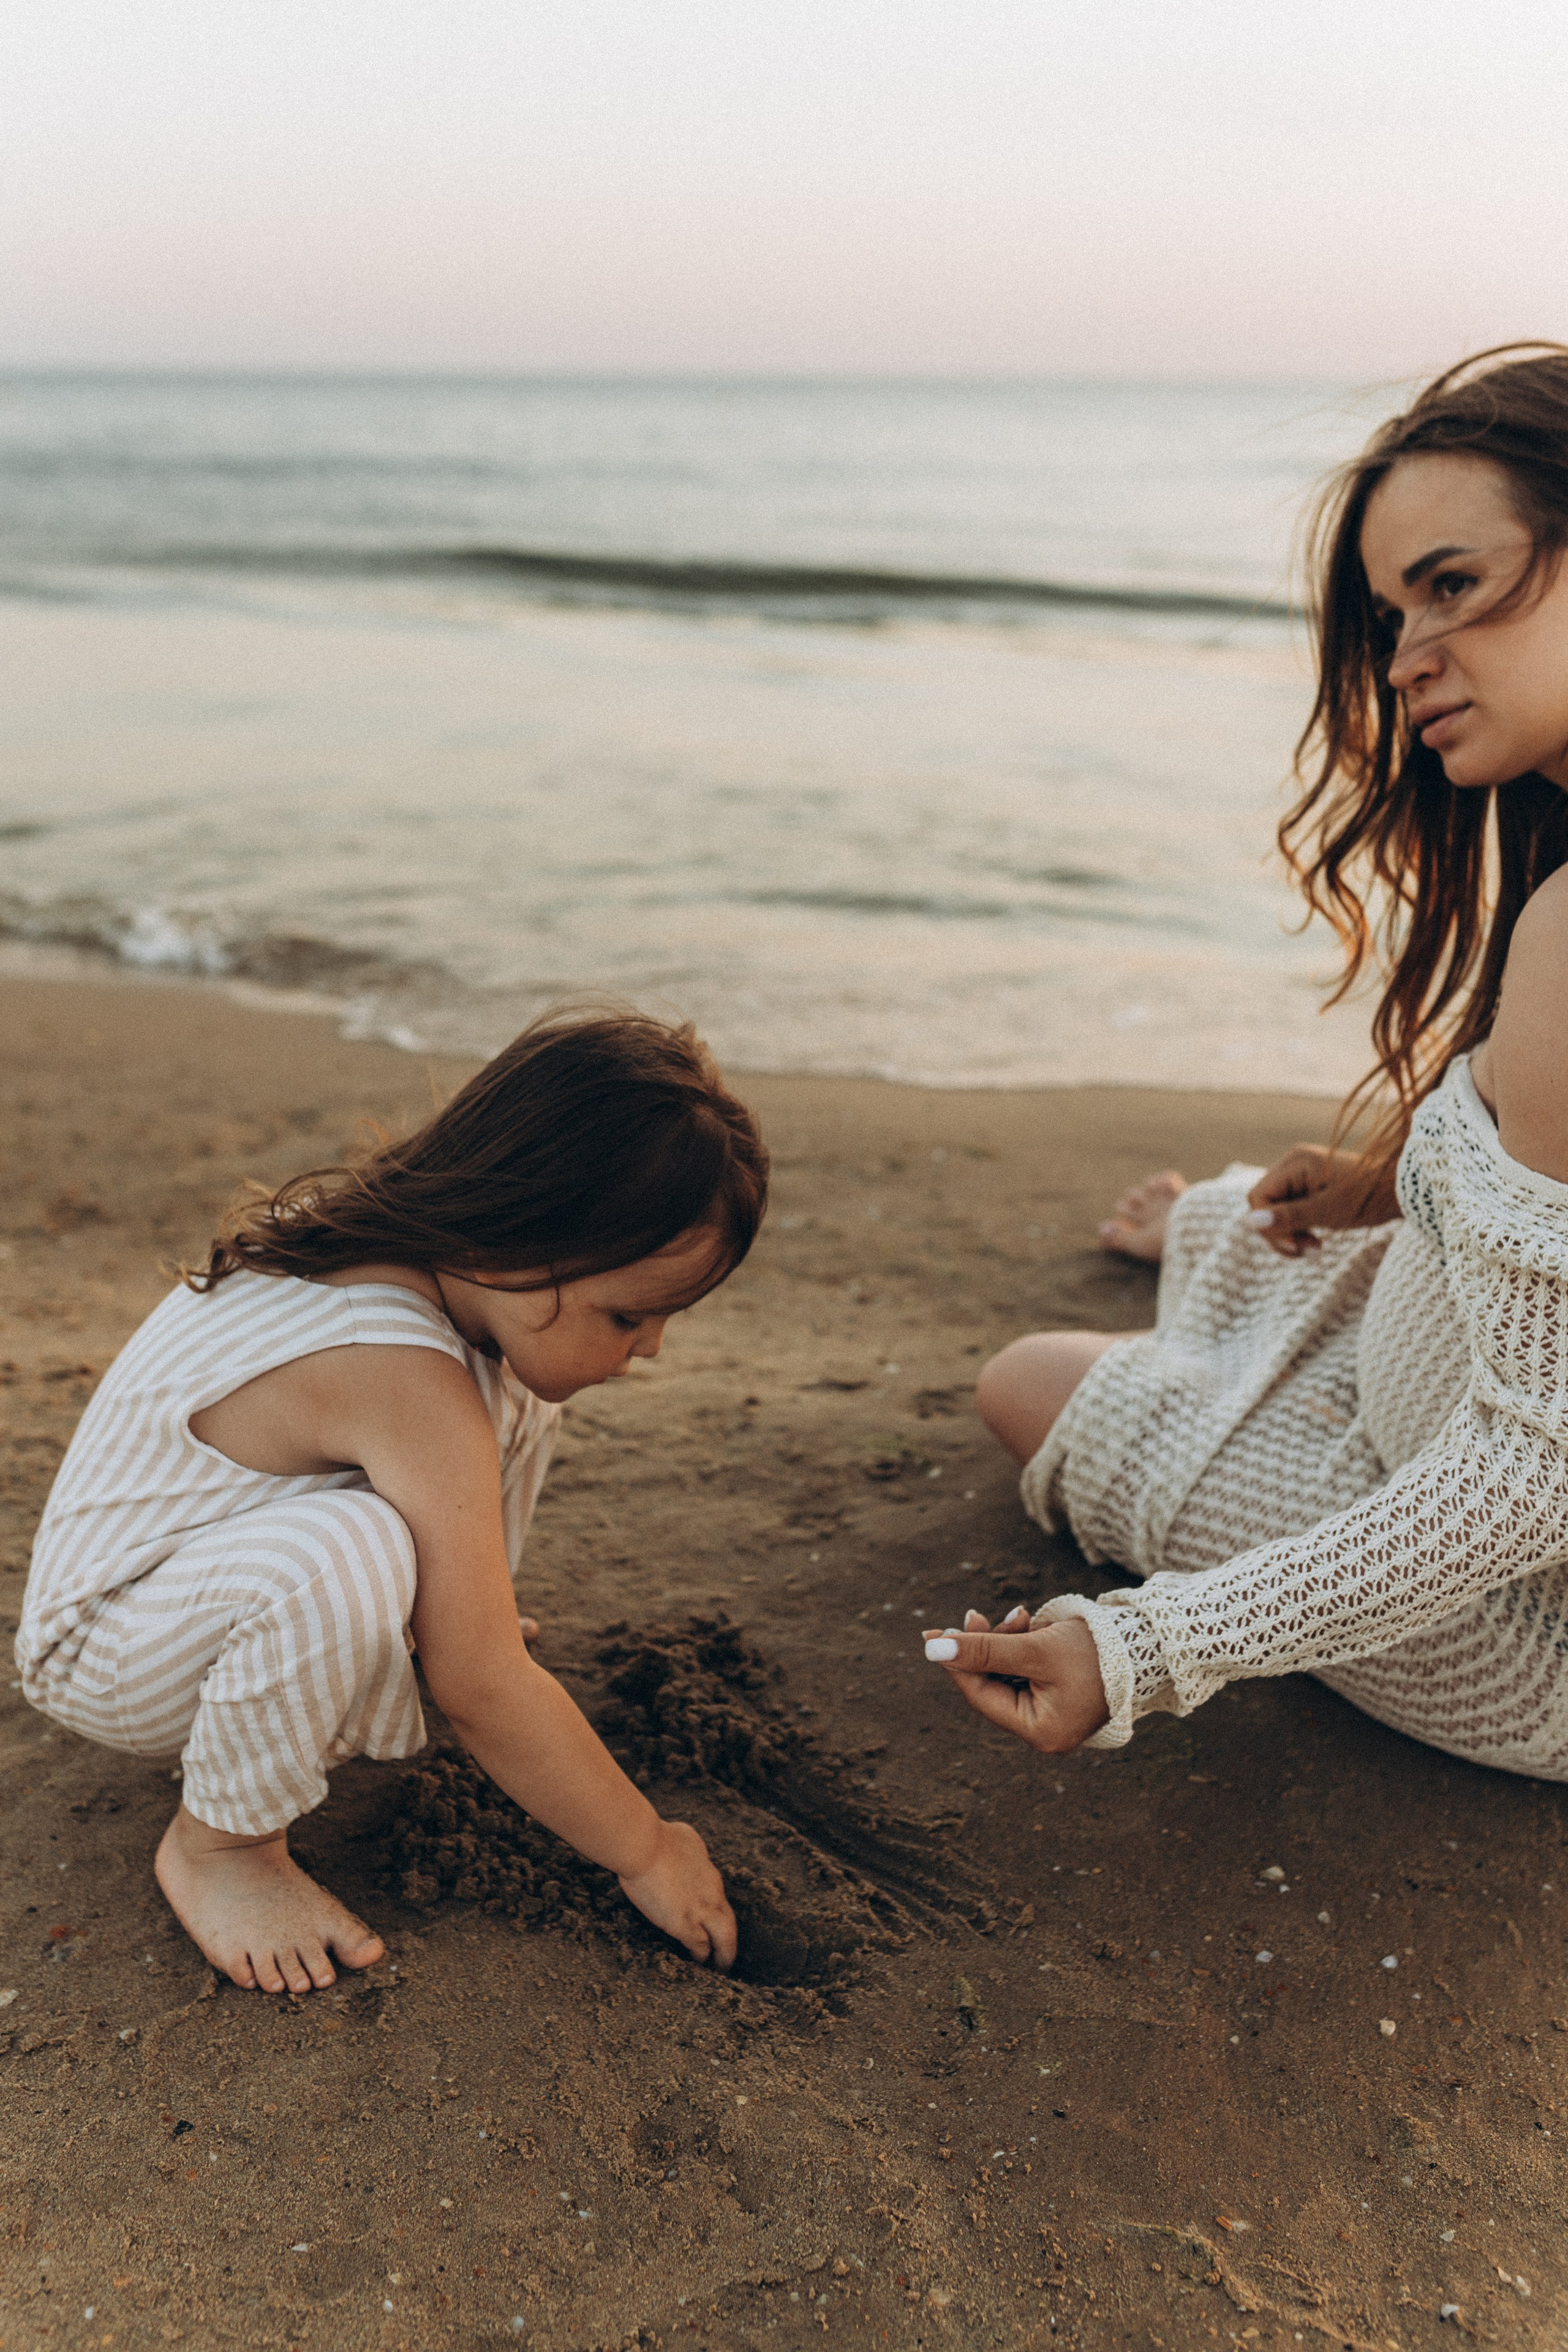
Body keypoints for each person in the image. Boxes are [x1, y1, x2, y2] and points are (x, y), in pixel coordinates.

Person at [925, 345, 1568, 1779]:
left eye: (1451, 586)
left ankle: (1228, 1329)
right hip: (1482, 1373)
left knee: (1028, 1380)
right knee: (1253, 1222)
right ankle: (1249, 1280)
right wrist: (1382, 1185)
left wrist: (1144, 1647)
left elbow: (1530, 1483)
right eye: (1392, 608)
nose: (1403, 657)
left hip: (1516, 1613)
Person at [18, 1009, 767, 1992]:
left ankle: (418, 1627)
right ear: (517, 1235)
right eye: (629, 1313)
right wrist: (648, 1849)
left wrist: (466, 1637)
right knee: (351, 1550)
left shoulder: (445, 1282)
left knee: (512, 1404)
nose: (652, 1348)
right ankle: (222, 1848)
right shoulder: (395, 1366)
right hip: (105, 1641)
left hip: (203, 1586)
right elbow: (484, 1686)